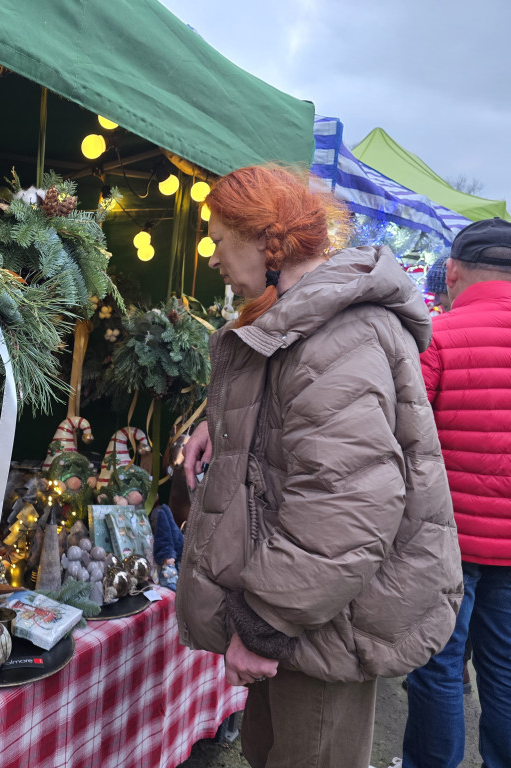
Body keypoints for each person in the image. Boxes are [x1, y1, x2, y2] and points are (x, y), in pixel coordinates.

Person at [175, 165, 462, 768]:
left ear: (266, 241)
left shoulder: (337, 331)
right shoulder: (307, 318)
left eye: (219, 238)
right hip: (310, 616)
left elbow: (348, 504)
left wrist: (264, 622)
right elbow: (307, 434)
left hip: (320, 623)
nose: (212, 257)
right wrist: (219, 427)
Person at [402, 218, 511, 768]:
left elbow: (406, 437)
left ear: (453, 271)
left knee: (438, 665)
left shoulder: (437, 335)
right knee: (507, 671)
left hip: (448, 541)